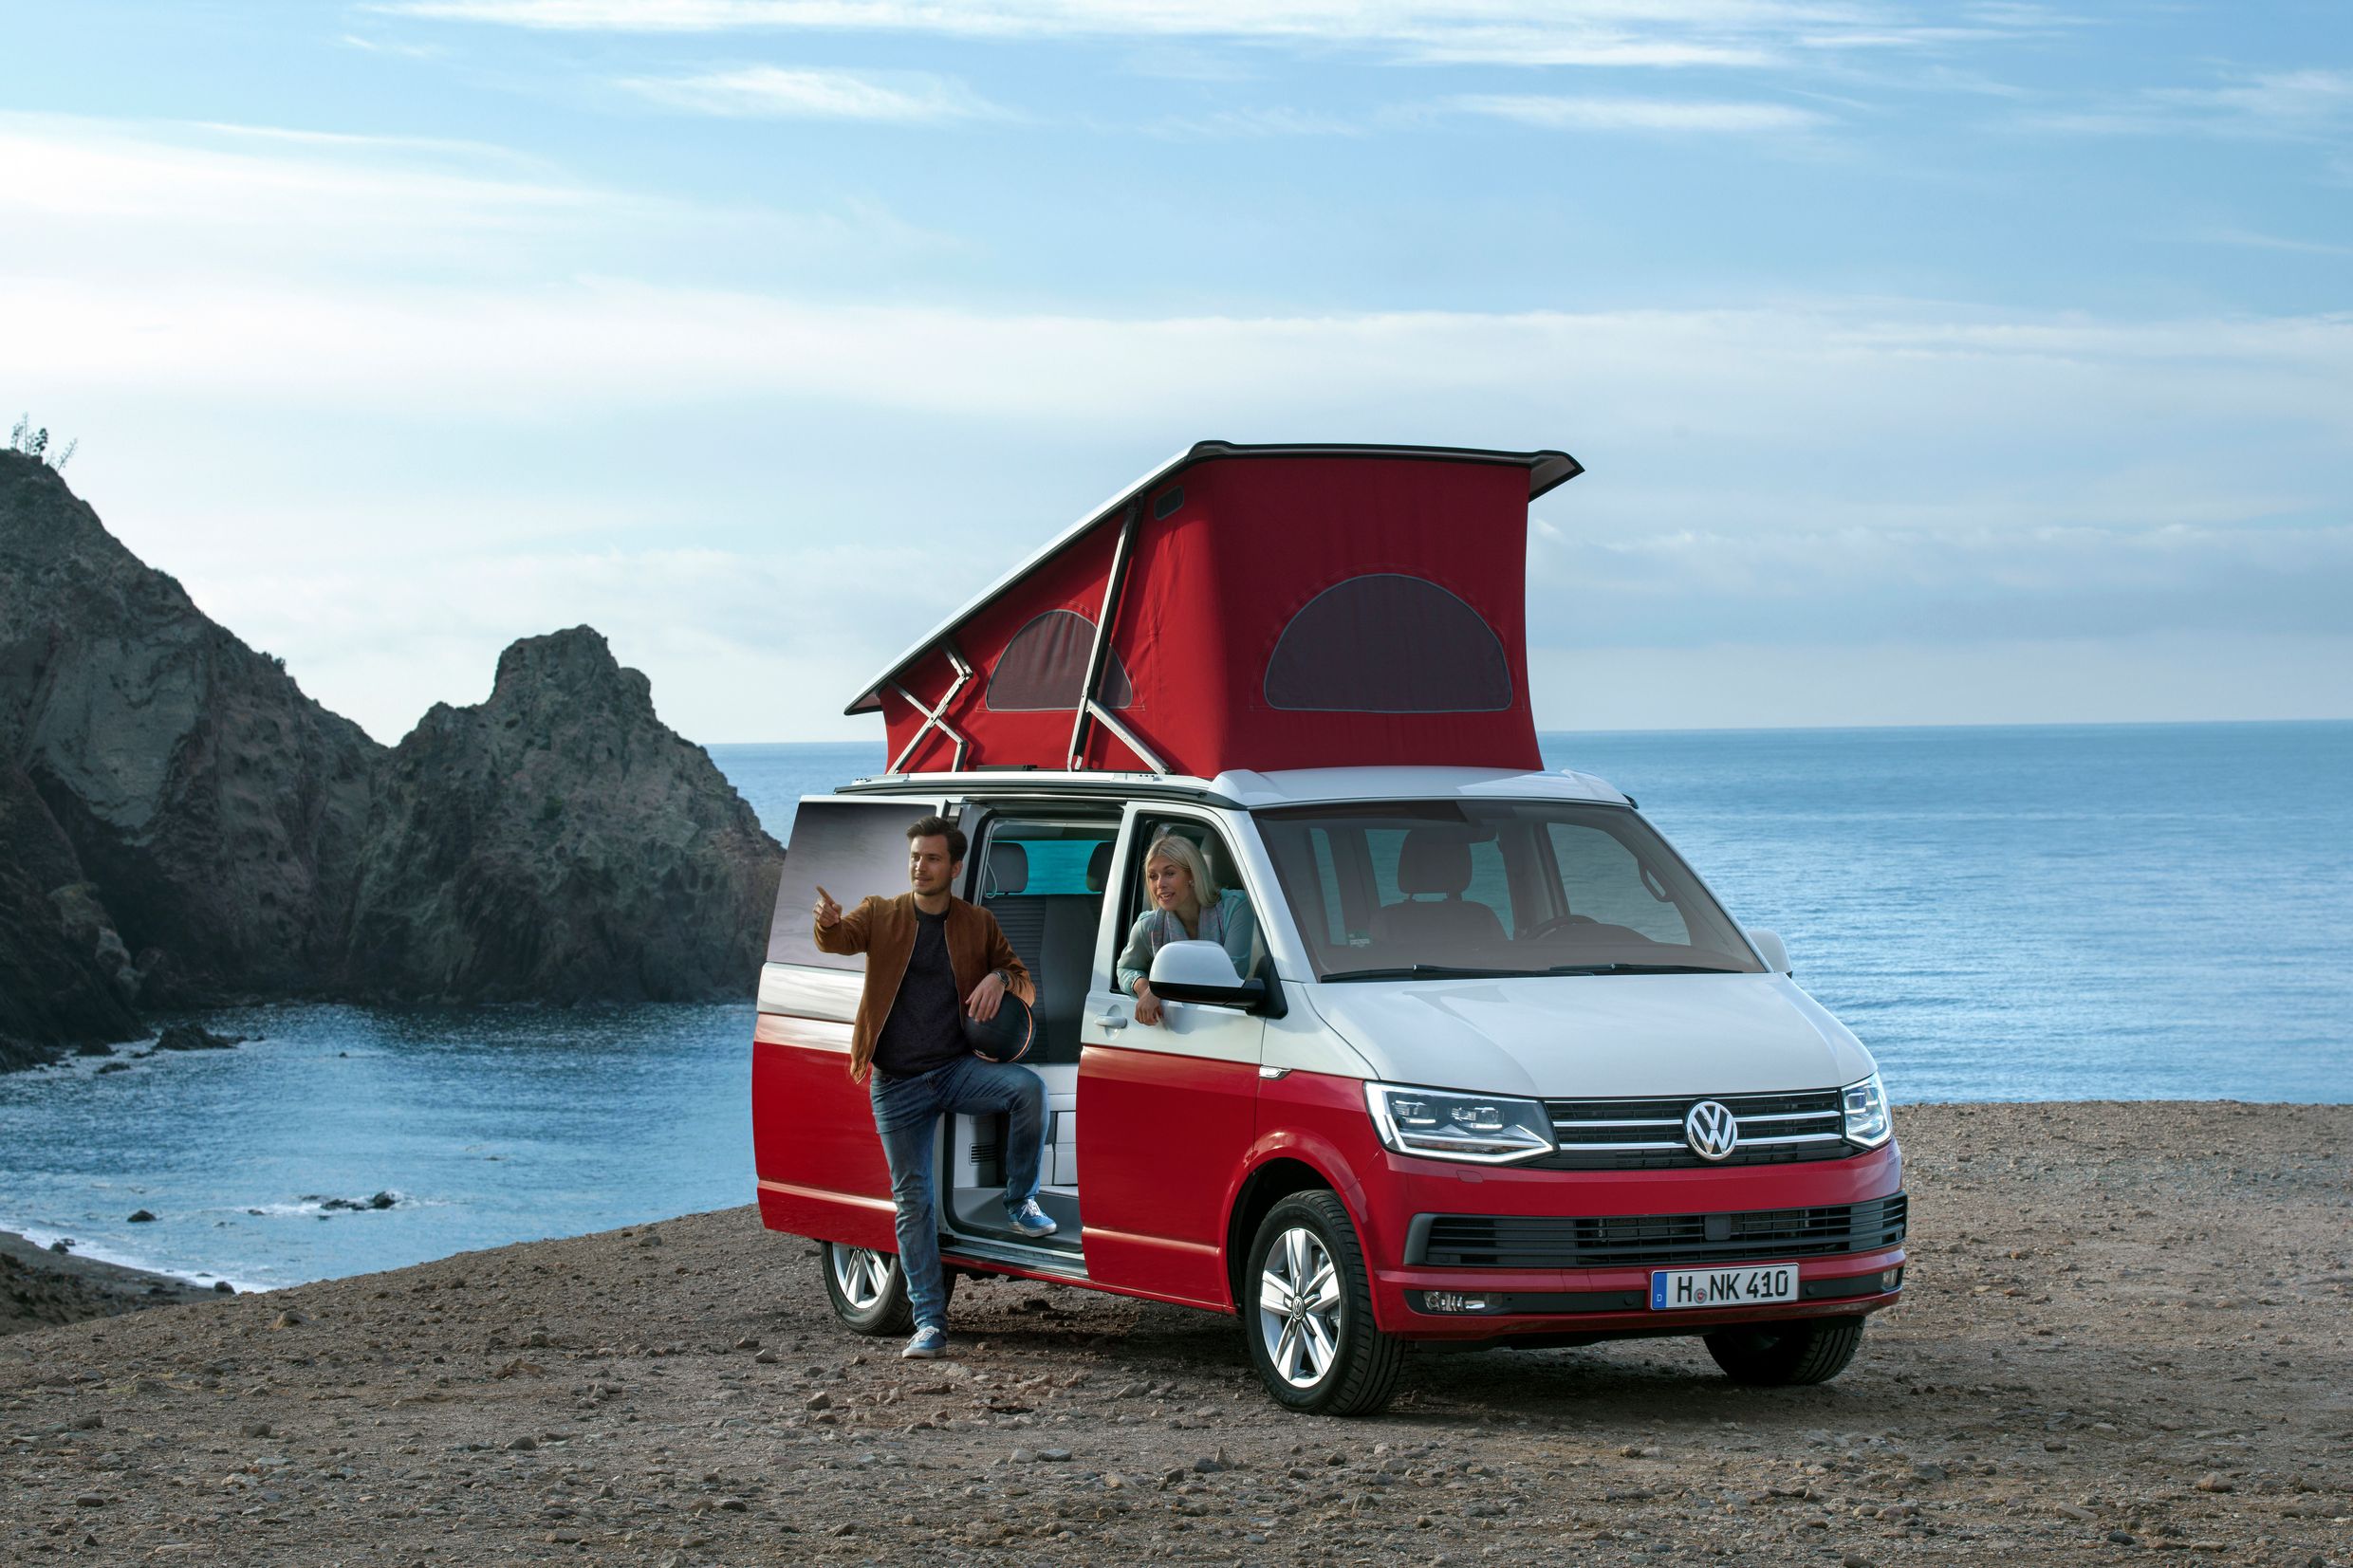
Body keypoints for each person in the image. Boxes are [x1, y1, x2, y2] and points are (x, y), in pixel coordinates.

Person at [813, 814, 1053, 1360]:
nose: (920, 867)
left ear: (955, 867)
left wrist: (999, 977)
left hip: (953, 1069)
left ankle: (1021, 1201)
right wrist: (826, 923)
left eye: (932, 858)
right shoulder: (882, 913)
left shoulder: (978, 923)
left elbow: (1025, 984)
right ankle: (929, 1324)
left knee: (1028, 1089)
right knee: (913, 1201)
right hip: (896, 1084)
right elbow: (839, 941)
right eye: (916, 857)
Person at [1116, 833, 1258, 1025]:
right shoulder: (1148, 925)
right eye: (1152, 876)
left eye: (1170, 873)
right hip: (1176, 1028)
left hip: (1236, 1022)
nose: (1160, 885)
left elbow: (1232, 969)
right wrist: (1144, 989)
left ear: (1192, 875)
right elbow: (1125, 967)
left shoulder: (1236, 907)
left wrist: (1161, 989)